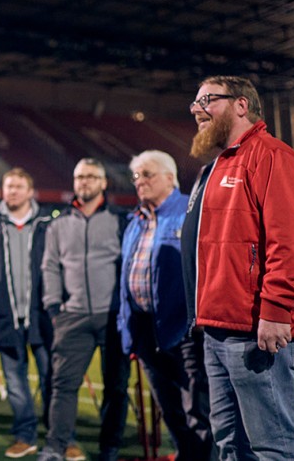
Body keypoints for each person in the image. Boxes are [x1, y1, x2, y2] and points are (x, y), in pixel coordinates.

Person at [183, 75, 294, 458]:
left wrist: (275, 309)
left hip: (255, 327)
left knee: (275, 447)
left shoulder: (272, 155)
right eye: (195, 102)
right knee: (230, 446)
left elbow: (292, 241)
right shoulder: (216, 165)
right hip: (218, 328)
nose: (197, 109)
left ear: (241, 105)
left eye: (208, 99)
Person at [117, 150, 212, 460]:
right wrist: (125, 324)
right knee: (169, 408)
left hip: (184, 329)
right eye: (136, 176)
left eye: (147, 174)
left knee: (197, 409)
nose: (139, 181)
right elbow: (126, 276)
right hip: (146, 330)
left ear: (170, 177)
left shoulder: (190, 211)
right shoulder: (136, 219)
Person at [38, 158, 130, 461]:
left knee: (116, 388)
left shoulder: (121, 219)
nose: (84, 182)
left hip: (113, 317)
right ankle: (55, 446)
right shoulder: (59, 224)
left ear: (104, 182)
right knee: (63, 385)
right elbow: (50, 266)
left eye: (91, 177)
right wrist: (54, 306)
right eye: (79, 177)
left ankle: (109, 449)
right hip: (72, 316)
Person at [0, 167, 56, 459]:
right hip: (5, 320)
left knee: (51, 381)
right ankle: (25, 435)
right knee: (15, 385)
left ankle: (58, 437)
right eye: (8, 186)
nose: (13, 191)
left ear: (30, 191)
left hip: (42, 318)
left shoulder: (47, 224)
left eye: (19, 186)